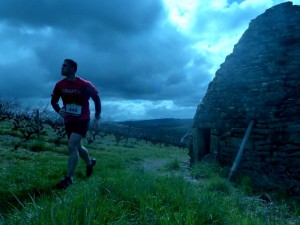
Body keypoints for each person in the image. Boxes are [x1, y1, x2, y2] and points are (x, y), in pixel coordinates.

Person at [51, 59, 101, 189]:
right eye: (62, 65)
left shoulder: (84, 84)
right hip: (69, 120)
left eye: (65, 66)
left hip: (82, 119)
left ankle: (69, 178)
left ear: (72, 69)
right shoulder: (60, 85)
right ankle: (89, 162)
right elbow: (54, 101)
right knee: (78, 147)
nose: (61, 68)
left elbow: (96, 99)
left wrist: (97, 117)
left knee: (72, 145)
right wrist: (59, 110)